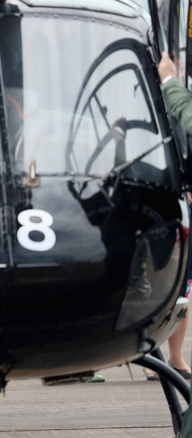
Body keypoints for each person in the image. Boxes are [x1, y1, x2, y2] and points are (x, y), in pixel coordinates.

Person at [149, 51, 192, 380]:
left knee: (183, 288)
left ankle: (175, 357)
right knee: (156, 283)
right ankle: (153, 352)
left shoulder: (180, 97)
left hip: (183, 199)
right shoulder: (150, 100)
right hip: (160, 197)